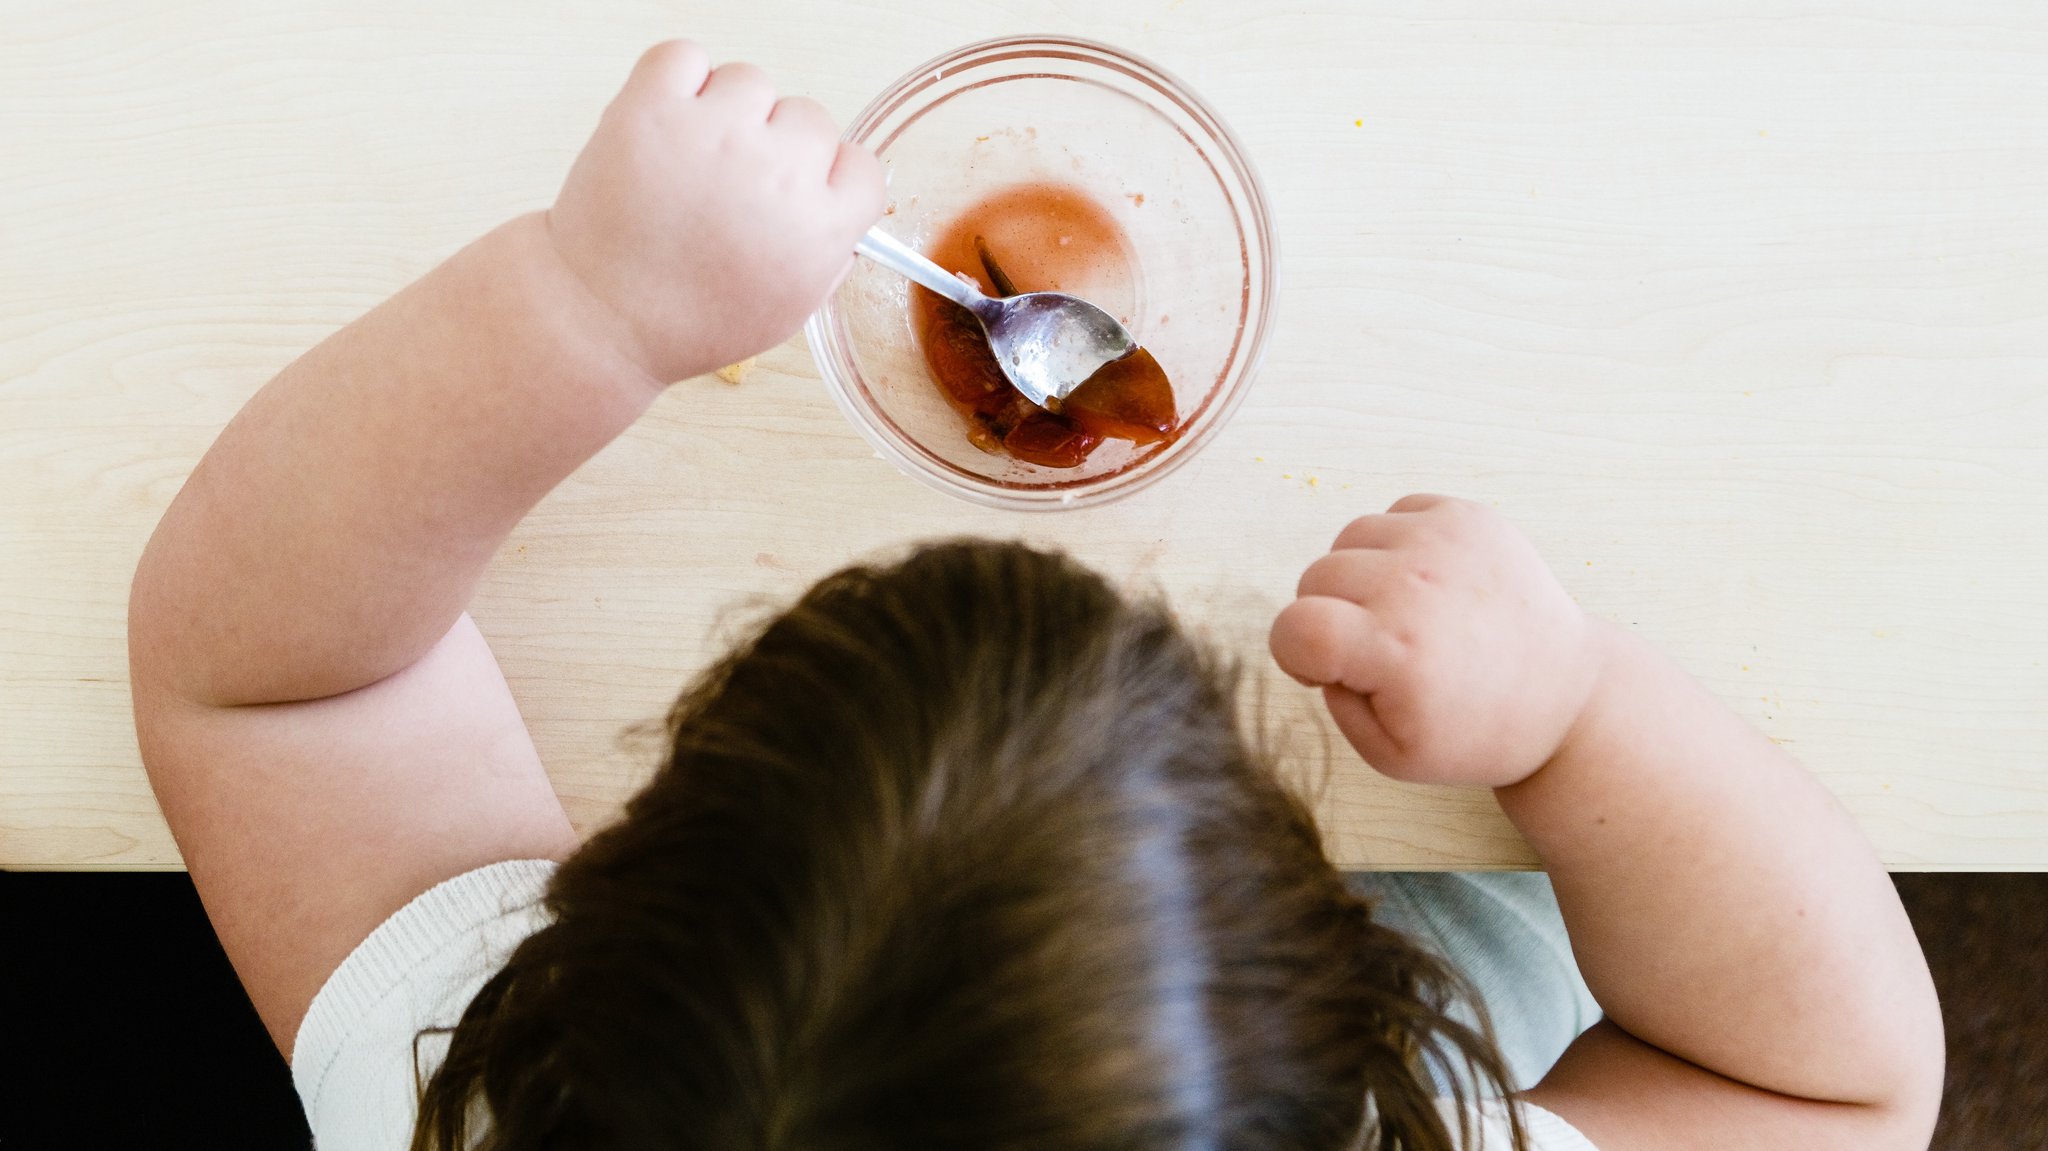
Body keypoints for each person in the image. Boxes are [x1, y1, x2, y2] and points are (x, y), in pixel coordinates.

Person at [127, 40, 1944, 1151]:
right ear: (1351, 1038)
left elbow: (271, 683)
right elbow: (1834, 1095)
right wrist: (1573, 717)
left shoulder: (483, 1107)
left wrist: (584, 311)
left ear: (572, 939)